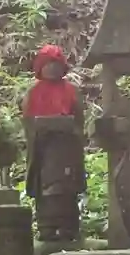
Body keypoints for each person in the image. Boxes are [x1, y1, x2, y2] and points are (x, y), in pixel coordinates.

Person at [23, 42, 86, 242]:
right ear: (40, 67)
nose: (52, 68)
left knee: (66, 187)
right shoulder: (33, 93)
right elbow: (28, 123)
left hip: (66, 149)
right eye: (48, 64)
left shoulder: (71, 91)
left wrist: (69, 129)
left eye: (56, 64)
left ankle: (69, 227)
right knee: (46, 188)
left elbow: (79, 120)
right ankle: (46, 226)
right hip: (43, 149)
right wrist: (39, 131)